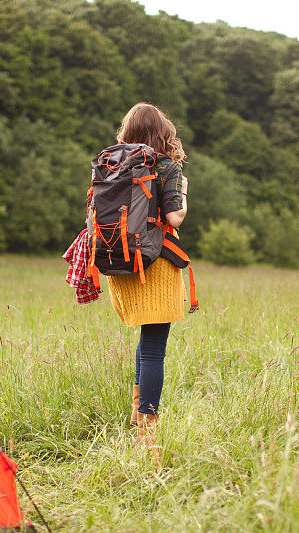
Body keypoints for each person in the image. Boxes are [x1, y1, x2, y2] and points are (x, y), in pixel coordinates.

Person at [104, 102, 189, 462]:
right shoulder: (167, 167)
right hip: (153, 266)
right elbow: (175, 217)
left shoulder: (109, 163)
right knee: (155, 348)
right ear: (163, 132)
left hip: (118, 261)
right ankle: (147, 437)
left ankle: (137, 418)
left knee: (144, 339)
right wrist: (182, 189)